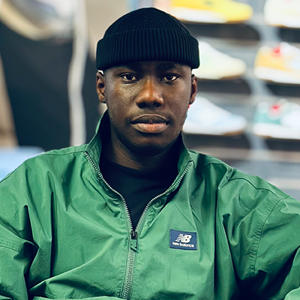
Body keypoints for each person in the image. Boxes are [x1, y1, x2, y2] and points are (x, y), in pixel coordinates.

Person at [0, 7, 300, 300]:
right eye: (130, 77)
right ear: (102, 87)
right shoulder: (37, 189)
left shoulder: (238, 203)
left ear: (192, 90)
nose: (150, 96)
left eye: (169, 77)